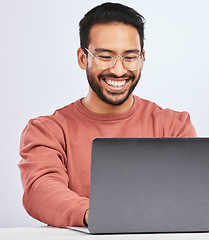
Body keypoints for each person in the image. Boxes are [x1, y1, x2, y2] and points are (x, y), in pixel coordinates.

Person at [18, 2, 196, 228]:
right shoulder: (47, 131)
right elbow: (41, 188)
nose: (119, 70)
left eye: (130, 57)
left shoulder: (174, 126)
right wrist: (97, 215)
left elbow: (189, 197)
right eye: (105, 56)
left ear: (142, 58)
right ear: (83, 58)